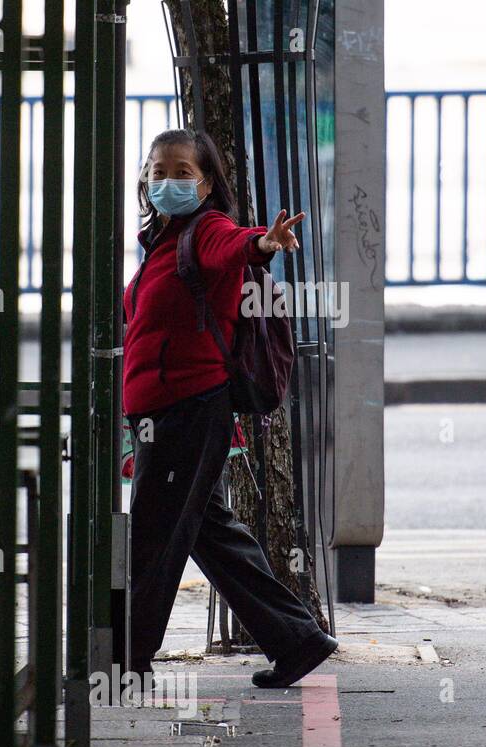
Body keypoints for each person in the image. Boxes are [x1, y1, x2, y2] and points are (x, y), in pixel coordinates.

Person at [121, 128, 337, 689]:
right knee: (207, 532)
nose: (167, 181)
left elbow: (236, 245)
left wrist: (264, 243)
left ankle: (123, 661)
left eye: (182, 172)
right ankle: (298, 640)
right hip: (164, 411)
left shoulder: (206, 229)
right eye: (158, 171)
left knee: (152, 536)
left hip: (189, 408)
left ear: (208, 181)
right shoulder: (162, 241)